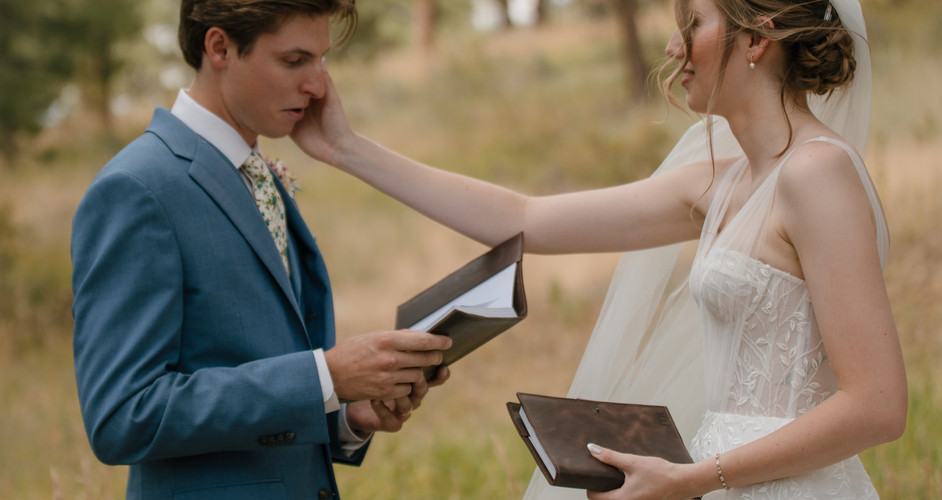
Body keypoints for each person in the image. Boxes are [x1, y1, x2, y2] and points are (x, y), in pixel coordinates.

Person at [290, 0, 907, 498]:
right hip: (718, 479)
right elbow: (525, 219)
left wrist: (695, 478)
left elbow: (878, 406)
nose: (673, 48)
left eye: (692, 23)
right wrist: (346, 148)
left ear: (755, 39)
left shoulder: (816, 174)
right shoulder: (721, 182)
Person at [70, 1, 453, 499]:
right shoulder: (138, 188)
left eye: (322, 60)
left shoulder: (257, 173)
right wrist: (325, 376)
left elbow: (262, 366)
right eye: (294, 61)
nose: (318, 86)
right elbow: (123, 416)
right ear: (220, 47)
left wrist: (343, 411)